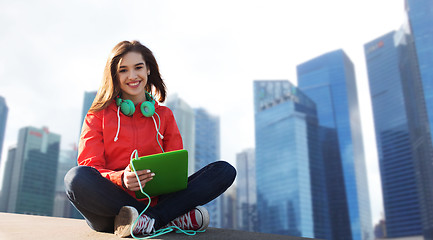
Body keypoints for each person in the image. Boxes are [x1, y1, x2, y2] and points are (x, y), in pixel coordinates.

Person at [64, 40, 236, 238]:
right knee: (75, 178)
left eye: (138, 67)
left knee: (224, 170)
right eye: (123, 70)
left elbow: (175, 168)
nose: (132, 76)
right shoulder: (97, 116)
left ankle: (151, 219)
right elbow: (90, 166)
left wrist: (164, 185)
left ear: (148, 70)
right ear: (114, 75)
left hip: (158, 201)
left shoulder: (165, 116)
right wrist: (121, 179)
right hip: (112, 210)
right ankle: (164, 218)